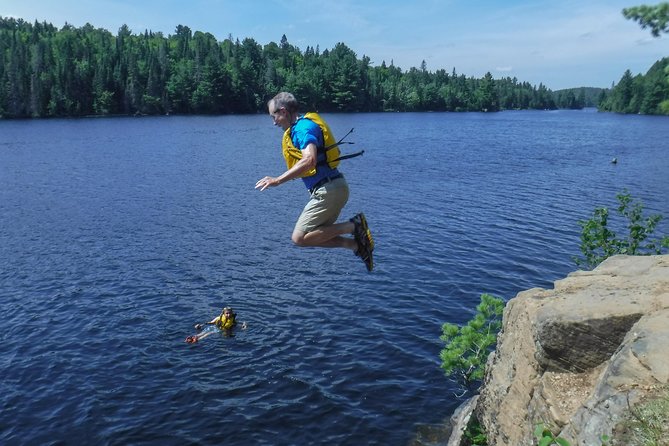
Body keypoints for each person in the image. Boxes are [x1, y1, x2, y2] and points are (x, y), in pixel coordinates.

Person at [255, 92, 374, 271]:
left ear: (283, 111)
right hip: (333, 187)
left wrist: (278, 180)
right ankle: (357, 246)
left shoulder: (303, 129)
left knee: (299, 238)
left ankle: (354, 225)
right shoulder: (299, 127)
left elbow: (309, 159)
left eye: (274, 116)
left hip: (328, 190)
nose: (274, 122)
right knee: (315, 235)